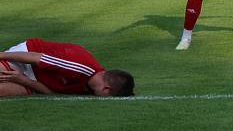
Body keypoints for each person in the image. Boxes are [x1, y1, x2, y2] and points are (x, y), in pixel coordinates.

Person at [0, 38, 134, 97]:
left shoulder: (90, 88)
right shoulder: (80, 67)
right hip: (26, 59)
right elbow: (36, 57)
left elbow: (53, 94)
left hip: (34, 80)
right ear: (106, 89)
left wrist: (24, 81)